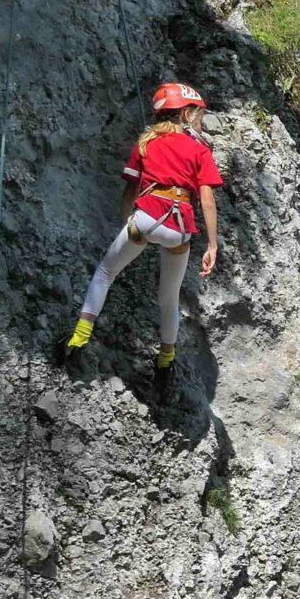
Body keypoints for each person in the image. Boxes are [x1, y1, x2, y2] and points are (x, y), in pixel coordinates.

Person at [57, 81, 224, 405]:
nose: (201, 120)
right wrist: (212, 245)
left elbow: (130, 191)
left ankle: (79, 338)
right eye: (199, 114)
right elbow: (207, 201)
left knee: (106, 273)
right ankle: (165, 361)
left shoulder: (146, 142)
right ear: (186, 113)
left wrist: (127, 224)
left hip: (147, 219)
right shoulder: (200, 149)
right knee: (169, 298)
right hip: (179, 227)